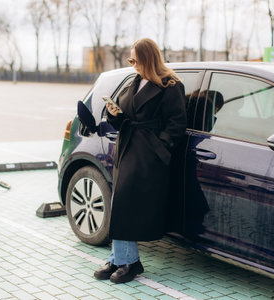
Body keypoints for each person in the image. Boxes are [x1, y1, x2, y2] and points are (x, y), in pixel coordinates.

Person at [93, 38, 187, 284]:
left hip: (148, 154)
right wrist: (116, 116)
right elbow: (127, 119)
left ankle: (129, 262)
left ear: (148, 58)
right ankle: (120, 258)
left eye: (135, 59)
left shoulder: (170, 85)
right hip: (127, 150)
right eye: (130, 59)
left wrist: (159, 147)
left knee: (125, 204)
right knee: (120, 202)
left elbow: (176, 124)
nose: (132, 64)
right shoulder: (133, 82)